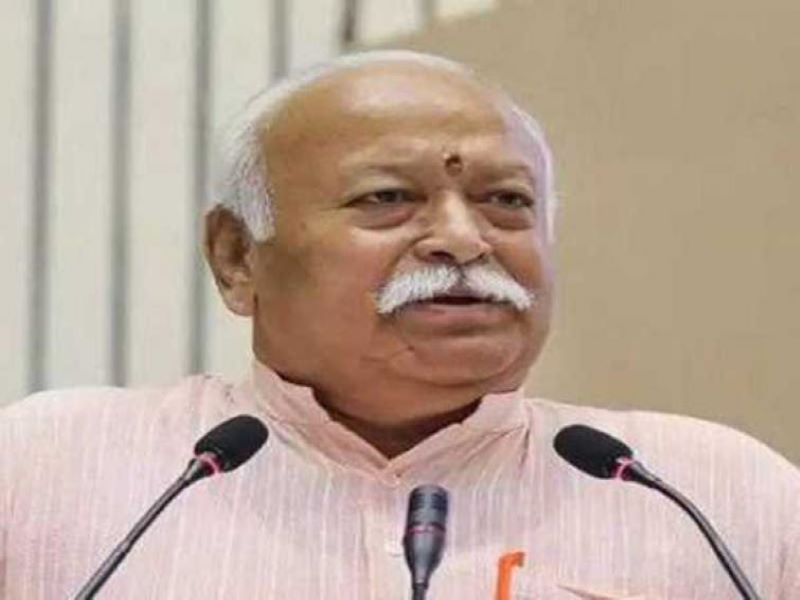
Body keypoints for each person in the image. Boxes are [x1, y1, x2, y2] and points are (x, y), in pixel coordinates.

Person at [1, 50, 798, 599]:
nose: (463, 239)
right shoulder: (53, 472)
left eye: (506, 201)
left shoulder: (711, 496)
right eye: (387, 198)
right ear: (238, 256)